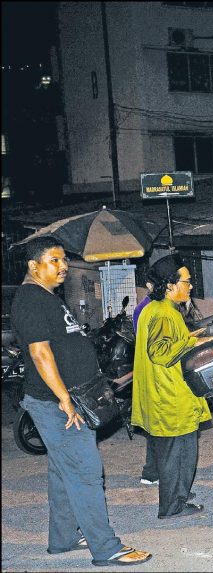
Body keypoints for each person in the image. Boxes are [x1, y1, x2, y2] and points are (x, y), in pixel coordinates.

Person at [11, 236, 152, 566]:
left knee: (63, 473)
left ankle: (63, 538)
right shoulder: (30, 299)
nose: (63, 266)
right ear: (34, 266)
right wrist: (65, 399)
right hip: (58, 403)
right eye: (54, 261)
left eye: (63, 260)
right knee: (86, 471)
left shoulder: (47, 297)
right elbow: (40, 354)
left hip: (71, 397)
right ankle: (106, 548)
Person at [132, 254, 213, 519]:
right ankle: (172, 506)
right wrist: (192, 343)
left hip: (162, 393)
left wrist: (187, 337)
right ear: (169, 285)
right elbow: (160, 352)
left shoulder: (154, 309)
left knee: (173, 454)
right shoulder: (164, 313)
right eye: (186, 282)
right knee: (180, 454)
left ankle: (177, 495)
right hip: (171, 396)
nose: (190, 286)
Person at [132, 280, 159, 487]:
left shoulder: (146, 307)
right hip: (154, 374)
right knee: (158, 429)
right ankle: (152, 473)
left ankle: (152, 473)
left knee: (156, 429)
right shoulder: (149, 308)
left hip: (150, 372)